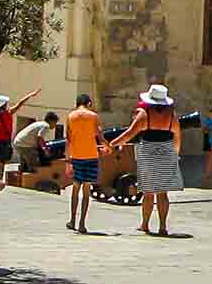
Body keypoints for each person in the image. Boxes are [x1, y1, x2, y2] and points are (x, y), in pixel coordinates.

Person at [110, 83, 184, 235]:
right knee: (163, 193)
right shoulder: (172, 116)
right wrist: (175, 154)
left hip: (148, 151)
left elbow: (129, 134)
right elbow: (177, 137)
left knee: (148, 192)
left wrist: (112, 144)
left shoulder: (144, 114)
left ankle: (145, 224)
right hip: (167, 151)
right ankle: (163, 227)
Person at [0, 88, 40, 182]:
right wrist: (30, 95)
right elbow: (20, 103)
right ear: (4, 105)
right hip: (5, 142)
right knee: (2, 162)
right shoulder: (10, 113)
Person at [65, 93, 103, 233]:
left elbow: (68, 140)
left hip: (76, 156)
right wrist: (108, 146)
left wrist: (67, 161)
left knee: (75, 189)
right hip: (91, 156)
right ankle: (82, 224)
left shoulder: (70, 117)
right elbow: (99, 135)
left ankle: (72, 220)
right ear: (89, 103)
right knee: (86, 191)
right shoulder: (93, 116)